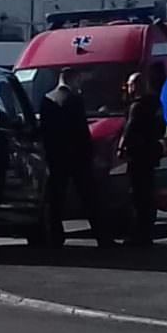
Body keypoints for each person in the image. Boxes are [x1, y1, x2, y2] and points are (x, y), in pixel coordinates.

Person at [40, 67, 112, 248]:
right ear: (73, 79)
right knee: (90, 197)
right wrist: (90, 154)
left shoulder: (47, 99)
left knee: (56, 199)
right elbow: (82, 132)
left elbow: (45, 131)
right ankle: (102, 237)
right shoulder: (75, 100)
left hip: (56, 157)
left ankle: (55, 237)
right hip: (78, 158)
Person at [117, 66, 166, 247]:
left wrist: (121, 147)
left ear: (134, 86)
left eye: (129, 85)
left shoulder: (137, 106)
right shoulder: (156, 104)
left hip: (138, 155)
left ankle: (138, 235)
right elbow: (161, 127)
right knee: (148, 195)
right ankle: (147, 233)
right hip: (151, 154)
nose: (127, 89)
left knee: (138, 196)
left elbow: (129, 129)